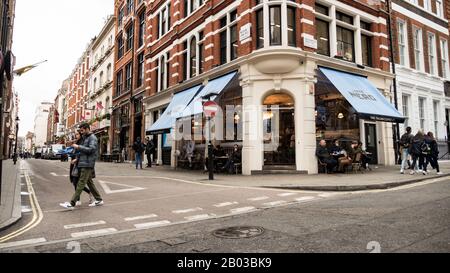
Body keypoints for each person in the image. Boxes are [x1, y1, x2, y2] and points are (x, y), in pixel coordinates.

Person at [60, 123, 103, 210]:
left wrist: (78, 146)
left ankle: (72, 203)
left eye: (82, 130)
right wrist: (77, 158)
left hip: (87, 164)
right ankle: (99, 199)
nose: (81, 132)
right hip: (83, 163)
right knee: (89, 183)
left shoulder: (92, 138)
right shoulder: (85, 138)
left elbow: (91, 150)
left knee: (81, 183)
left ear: (87, 129)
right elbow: (82, 151)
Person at [68, 131, 93, 206]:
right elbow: (73, 151)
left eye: (77, 134)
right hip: (74, 164)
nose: (76, 136)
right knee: (75, 182)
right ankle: (89, 192)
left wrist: (77, 159)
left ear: (81, 134)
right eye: (75, 134)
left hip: (80, 164)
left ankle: (77, 199)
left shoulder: (82, 142)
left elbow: (83, 153)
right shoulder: (76, 142)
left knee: (77, 182)